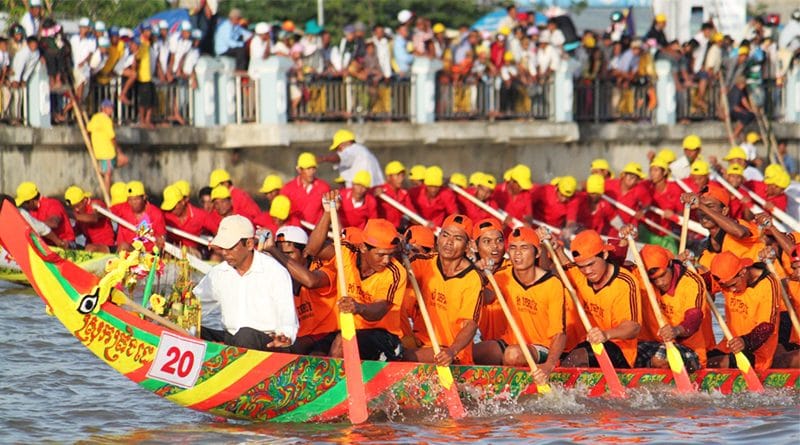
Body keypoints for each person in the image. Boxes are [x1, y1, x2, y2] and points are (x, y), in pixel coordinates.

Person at [475, 227, 566, 383]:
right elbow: (484, 298)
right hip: (509, 342)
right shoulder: (502, 275)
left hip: (541, 349)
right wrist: (476, 273)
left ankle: (501, 383)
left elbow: (559, 334)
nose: (517, 253)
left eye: (524, 248)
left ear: (537, 253)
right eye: (513, 248)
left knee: (513, 355)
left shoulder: (553, 284)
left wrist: (549, 365)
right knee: (468, 353)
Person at [194, 215, 298, 351]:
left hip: (268, 344)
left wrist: (284, 336)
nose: (225, 253)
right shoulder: (219, 272)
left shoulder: (275, 271)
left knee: (245, 335)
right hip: (232, 337)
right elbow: (198, 301)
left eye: (230, 247)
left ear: (249, 244)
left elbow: (287, 317)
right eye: (222, 248)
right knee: (194, 329)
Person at [551, 229, 642, 369]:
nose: (587, 272)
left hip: (618, 349)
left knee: (575, 358)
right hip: (583, 345)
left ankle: (560, 385)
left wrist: (605, 334)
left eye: (591, 264)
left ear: (605, 254)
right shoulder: (578, 274)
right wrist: (556, 248)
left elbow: (633, 328)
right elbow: (564, 266)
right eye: (582, 267)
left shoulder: (626, 282)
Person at [404, 214, 483, 365]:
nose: (449, 242)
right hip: (419, 342)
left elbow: (470, 325)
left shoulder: (472, 279)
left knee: (401, 355)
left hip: (451, 353)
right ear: (438, 238)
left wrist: (452, 351)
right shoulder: (422, 262)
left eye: (458, 238)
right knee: (388, 345)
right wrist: (397, 252)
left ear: (467, 246)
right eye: (445, 235)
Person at [632, 243, 712, 371]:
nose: (660, 282)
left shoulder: (691, 281)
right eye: (654, 279)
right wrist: (623, 243)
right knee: (622, 353)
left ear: (670, 265)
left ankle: (648, 374)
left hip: (688, 348)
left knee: (660, 359)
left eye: (663, 275)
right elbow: (614, 266)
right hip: (651, 344)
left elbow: (694, 317)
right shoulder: (641, 275)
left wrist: (676, 330)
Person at [262, 225, 339, 355]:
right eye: (279, 254)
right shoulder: (277, 278)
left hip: (327, 336)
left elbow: (310, 281)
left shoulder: (324, 269)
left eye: (288, 254)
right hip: (297, 338)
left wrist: (274, 251)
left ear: (305, 253)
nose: (282, 259)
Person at [707, 251, 779, 370]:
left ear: (742, 272)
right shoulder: (727, 278)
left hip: (757, 352)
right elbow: (700, 281)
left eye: (734, 284)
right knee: (700, 360)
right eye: (727, 287)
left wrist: (745, 341)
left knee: (716, 363)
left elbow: (767, 327)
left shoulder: (768, 284)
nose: (732, 290)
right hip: (728, 346)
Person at [160, 184, 218, 257]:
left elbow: (217, 231)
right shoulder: (164, 215)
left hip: (194, 253)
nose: (171, 210)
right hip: (170, 250)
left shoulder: (200, 215)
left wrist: (217, 249)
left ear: (182, 202)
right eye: (168, 207)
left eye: (173, 207)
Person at [317, 129, 385, 187]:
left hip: (364, 191)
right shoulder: (363, 150)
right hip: (374, 189)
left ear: (345, 143)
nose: (338, 151)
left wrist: (324, 158)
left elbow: (339, 157)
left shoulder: (352, 149)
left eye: (338, 148)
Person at [15, 181, 75, 247]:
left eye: (24, 204)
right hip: (48, 246)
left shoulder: (52, 204)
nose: (23, 206)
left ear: (32, 201)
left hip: (66, 243)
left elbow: (54, 223)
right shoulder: (31, 211)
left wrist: (33, 224)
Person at [113, 181, 166, 252]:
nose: (133, 203)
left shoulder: (156, 213)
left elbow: (162, 236)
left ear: (144, 197)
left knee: (124, 246)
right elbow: (105, 211)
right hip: (123, 252)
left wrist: (161, 240)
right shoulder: (123, 207)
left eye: (136, 199)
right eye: (130, 199)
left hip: (146, 254)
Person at [87, 99, 126, 193]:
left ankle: (103, 173)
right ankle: (106, 195)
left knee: (110, 170)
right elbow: (112, 137)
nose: (112, 110)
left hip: (99, 150)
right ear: (104, 108)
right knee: (108, 174)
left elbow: (88, 129)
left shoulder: (95, 117)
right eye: (110, 108)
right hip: (107, 151)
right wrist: (119, 152)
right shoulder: (106, 120)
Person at [279, 152, 331, 225]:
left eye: (313, 168)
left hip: (317, 231)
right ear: (299, 170)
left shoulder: (324, 187)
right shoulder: (287, 189)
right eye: (308, 168)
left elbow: (330, 211)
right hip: (296, 231)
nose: (311, 172)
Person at [64, 185, 115, 253]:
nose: (76, 209)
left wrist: (69, 214)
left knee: (89, 248)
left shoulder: (96, 204)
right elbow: (76, 231)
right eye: (73, 207)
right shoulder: (79, 214)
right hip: (90, 247)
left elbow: (93, 218)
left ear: (84, 200)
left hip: (107, 246)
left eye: (77, 206)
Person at [374, 160, 419, 229]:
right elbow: (366, 196)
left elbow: (412, 214)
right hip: (382, 230)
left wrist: (422, 222)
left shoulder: (404, 193)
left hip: (398, 231)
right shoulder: (379, 191)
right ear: (388, 177)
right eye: (397, 175)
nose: (401, 179)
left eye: (402, 175)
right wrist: (374, 194)